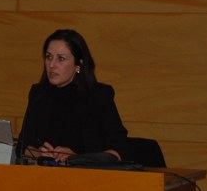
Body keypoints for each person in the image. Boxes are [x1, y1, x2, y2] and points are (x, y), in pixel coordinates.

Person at [17, 29, 128, 163]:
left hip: (89, 178)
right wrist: (39, 153)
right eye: (48, 57)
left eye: (61, 59)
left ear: (78, 65)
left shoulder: (98, 96)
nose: (51, 65)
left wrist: (77, 157)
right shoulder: (39, 94)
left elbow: (119, 150)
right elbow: (22, 146)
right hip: (44, 176)